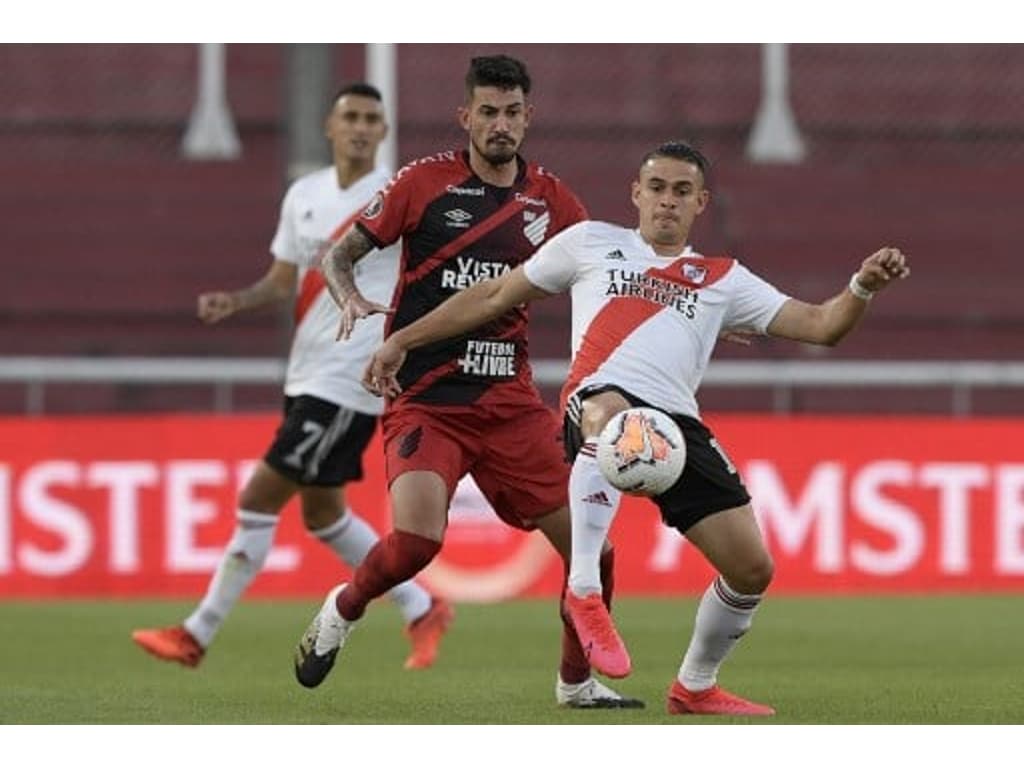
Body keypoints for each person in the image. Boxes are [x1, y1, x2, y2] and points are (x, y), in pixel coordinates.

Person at [362, 140, 912, 716]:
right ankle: (584, 589)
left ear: (701, 202)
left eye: (681, 192)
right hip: (597, 402)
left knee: (752, 569)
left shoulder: (722, 279)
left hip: (675, 429)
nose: (666, 202)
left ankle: (695, 686)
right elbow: (496, 293)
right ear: (636, 194)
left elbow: (822, 326)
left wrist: (862, 287)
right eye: (656, 188)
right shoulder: (590, 243)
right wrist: (403, 338)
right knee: (612, 414)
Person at [292, 55, 643, 710]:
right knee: (418, 543)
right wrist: (346, 296)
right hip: (427, 398)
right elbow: (339, 254)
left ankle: (575, 684)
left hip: (510, 405)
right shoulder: (420, 184)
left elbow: (615, 269)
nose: (501, 124)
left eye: (512, 113)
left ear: (527, 117)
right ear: (467, 116)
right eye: (488, 112)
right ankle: (343, 609)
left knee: (596, 552)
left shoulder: (554, 202)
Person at [132, 83, 452, 673]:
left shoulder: (397, 195)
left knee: (259, 496)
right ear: (329, 128)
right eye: (350, 117)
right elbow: (282, 283)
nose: (359, 127)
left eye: (371, 119)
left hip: (350, 374)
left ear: (383, 133)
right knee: (322, 513)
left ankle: (196, 633)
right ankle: (422, 605)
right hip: (305, 372)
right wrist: (236, 300)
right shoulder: (303, 194)